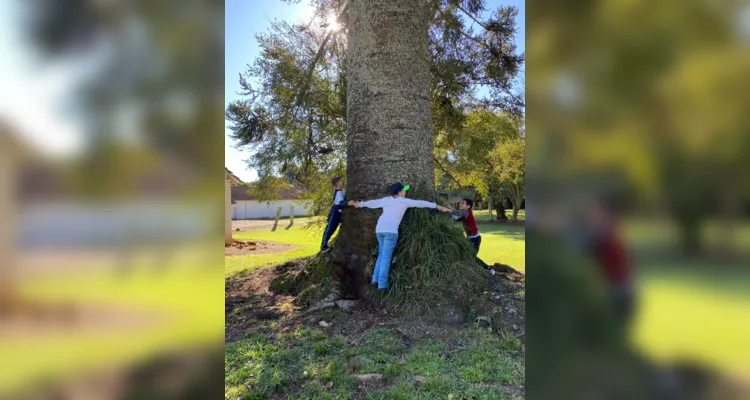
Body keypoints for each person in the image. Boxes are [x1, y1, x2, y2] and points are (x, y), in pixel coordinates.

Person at [349, 182, 449, 289]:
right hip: (390, 231)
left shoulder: (386, 200)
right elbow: (420, 203)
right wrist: (436, 206)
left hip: (380, 229)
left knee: (382, 254)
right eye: (404, 190)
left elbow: (373, 203)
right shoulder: (404, 201)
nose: (406, 192)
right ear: (400, 192)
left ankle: (375, 279)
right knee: (386, 257)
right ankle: (382, 285)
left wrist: (359, 204)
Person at [439, 198, 495, 274]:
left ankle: (488, 269)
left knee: (471, 256)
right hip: (469, 239)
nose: (460, 204)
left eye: (462, 203)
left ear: (468, 206)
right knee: (465, 254)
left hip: (475, 239)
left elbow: (456, 212)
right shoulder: (464, 213)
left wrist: (445, 209)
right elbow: (456, 218)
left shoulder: (466, 213)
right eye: (460, 203)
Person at [320, 176, 347, 253]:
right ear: (337, 182)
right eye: (341, 180)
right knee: (329, 229)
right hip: (335, 212)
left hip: (339, 213)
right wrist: (349, 203)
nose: (342, 181)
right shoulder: (338, 192)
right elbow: (341, 203)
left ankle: (324, 245)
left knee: (333, 228)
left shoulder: (342, 190)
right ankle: (323, 246)